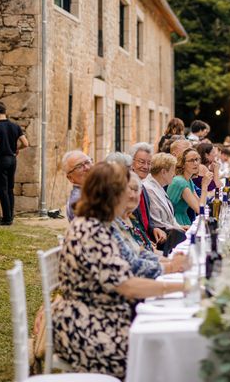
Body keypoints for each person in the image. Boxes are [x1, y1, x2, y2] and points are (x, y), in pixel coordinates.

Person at [53, 162, 185, 379]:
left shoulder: (102, 224)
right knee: (163, 354)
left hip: (107, 314)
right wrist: (183, 285)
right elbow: (127, 286)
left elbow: (131, 267)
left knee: (169, 343)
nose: (132, 195)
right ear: (112, 193)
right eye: (126, 189)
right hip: (90, 328)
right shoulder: (91, 231)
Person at [0, 101, 28, 225]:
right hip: (12, 159)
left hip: (2, 160)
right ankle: (10, 216)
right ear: (5, 112)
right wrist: (17, 149)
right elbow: (26, 143)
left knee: (2, 189)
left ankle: (6, 219)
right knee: (10, 188)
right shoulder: (15, 126)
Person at [143, 153, 188, 255]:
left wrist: (180, 227)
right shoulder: (149, 188)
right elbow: (156, 221)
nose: (174, 174)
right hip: (162, 241)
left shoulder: (159, 186)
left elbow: (169, 217)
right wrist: (178, 229)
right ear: (163, 172)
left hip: (171, 234)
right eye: (173, 171)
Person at [129, 143, 167, 246]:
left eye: (149, 163)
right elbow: (130, 225)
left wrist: (154, 229)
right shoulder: (127, 191)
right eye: (141, 162)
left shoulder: (143, 188)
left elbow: (145, 221)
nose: (145, 167)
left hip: (150, 241)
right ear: (131, 163)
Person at [167, 148, 213, 227]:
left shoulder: (189, 181)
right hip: (176, 223)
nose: (195, 163)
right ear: (183, 164)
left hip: (184, 220)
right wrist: (204, 186)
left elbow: (201, 205)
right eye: (191, 160)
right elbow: (199, 210)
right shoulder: (180, 182)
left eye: (197, 159)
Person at [62, 150, 93, 221]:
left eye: (87, 162)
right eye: (79, 166)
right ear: (70, 178)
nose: (87, 168)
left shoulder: (92, 192)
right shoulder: (79, 200)